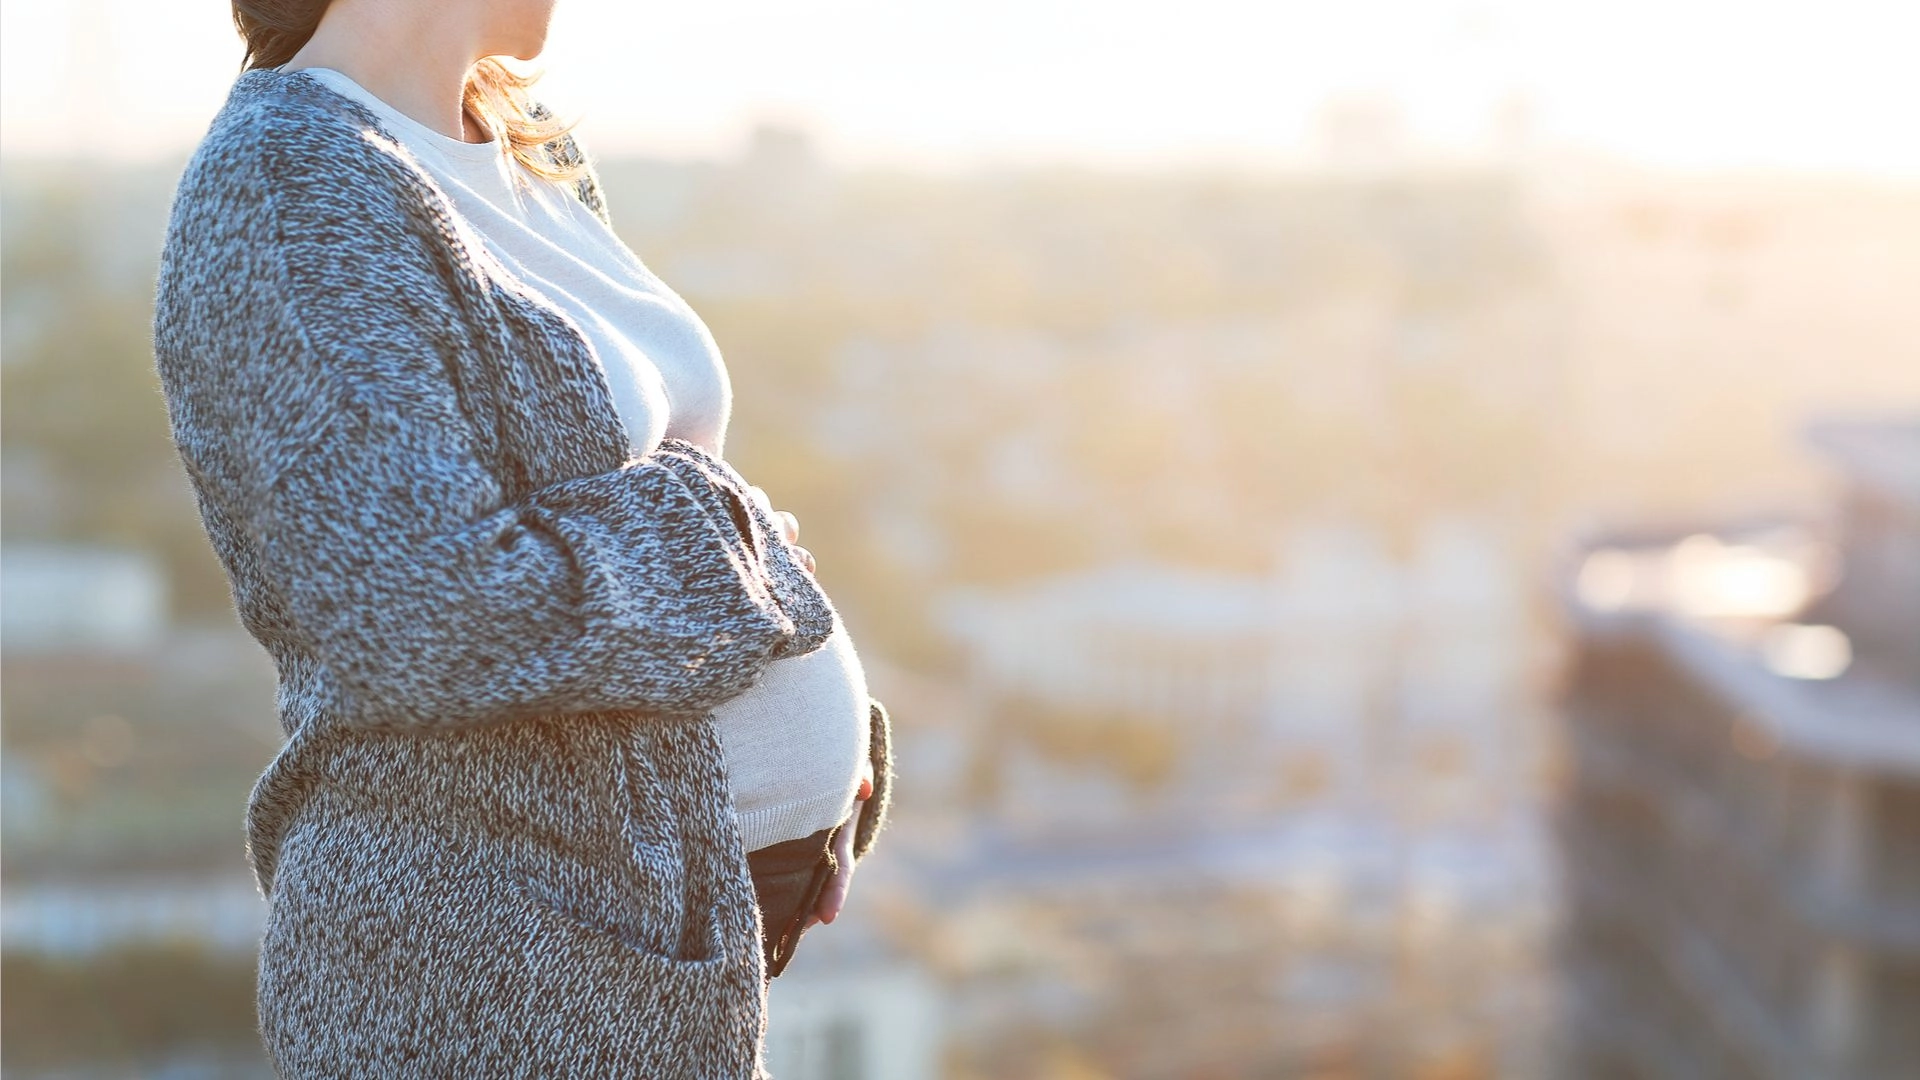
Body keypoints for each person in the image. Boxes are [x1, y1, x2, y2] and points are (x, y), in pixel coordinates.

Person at [149, 1, 895, 1075]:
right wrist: (740, 548)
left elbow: (632, 482)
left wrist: (810, 793)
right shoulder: (290, 183)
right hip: (488, 975)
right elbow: (424, 609)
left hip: (647, 945)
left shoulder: (518, 140)